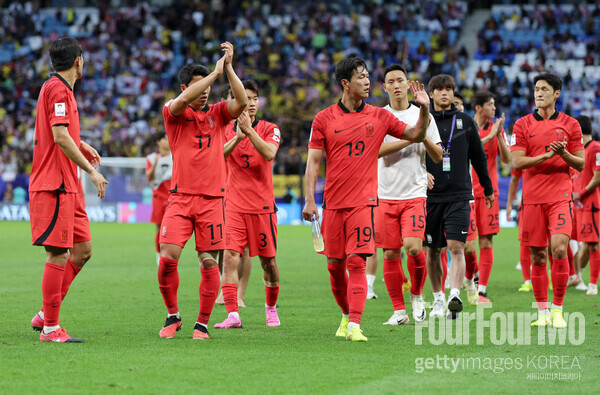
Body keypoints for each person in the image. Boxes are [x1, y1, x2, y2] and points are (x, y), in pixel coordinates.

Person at [302, 55, 430, 342]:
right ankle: (346, 315)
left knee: (357, 263)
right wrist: (309, 199)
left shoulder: (380, 116)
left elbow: (416, 134)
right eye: (361, 76)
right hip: (333, 205)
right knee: (334, 268)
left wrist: (425, 110)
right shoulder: (323, 119)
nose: (367, 81)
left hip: (364, 203)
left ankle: (356, 325)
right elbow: (313, 163)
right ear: (346, 84)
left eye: (368, 75)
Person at [158, 42, 247, 340]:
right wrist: (213, 73)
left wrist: (229, 68)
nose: (207, 91)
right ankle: (173, 315)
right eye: (200, 86)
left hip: (212, 201)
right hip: (180, 198)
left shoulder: (220, 113)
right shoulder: (174, 114)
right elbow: (182, 100)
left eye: (209, 85)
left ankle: (202, 324)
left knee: (209, 262)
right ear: (186, 87)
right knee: (168, 257)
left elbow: (242, 102)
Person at [29, 37, 108, 343]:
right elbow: (59, 136)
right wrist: (91, 171)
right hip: (56, 183)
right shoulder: (59, 89)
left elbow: (63, 133)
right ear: (78, 61)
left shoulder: (60, 90)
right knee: (58, 253)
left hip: (67, 184)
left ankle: (44, 314)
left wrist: (82, 144)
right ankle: (50, 328)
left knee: (83, 250)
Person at [511, 72, 584, 328]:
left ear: (556, 94)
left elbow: (581, 163)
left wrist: (563, 153)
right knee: (539, 256)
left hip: (560, 198)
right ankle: (542, 311)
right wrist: (544, 157)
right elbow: (516, 161)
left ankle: (558, 309)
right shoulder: (521, 124)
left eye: (544, 89)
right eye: (536, 89)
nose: (538, 93)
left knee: (560, 249)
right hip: (532, 200)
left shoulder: (571, 125)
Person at [372, 64, 442, 325]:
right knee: (390, 254)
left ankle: (415, 295)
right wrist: (411, 137)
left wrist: (421, 126)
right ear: (385, 87)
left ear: (407, 84)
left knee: (413, 247)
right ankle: (399, 311)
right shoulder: (378, 116)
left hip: (414, 193)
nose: (397, 85)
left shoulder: (423, 114)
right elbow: (376, 151)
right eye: (391, 81)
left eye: (401, 80)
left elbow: (437, 155)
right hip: (385, 194)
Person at [425, 74, 494, 320]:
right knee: (433, 251)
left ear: (454, 94)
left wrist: (487, 189)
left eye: (449, 89)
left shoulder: (465, 121)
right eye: (439, 89)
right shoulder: (424, 120)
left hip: (459, 195)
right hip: (430, 197)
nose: (445, 93)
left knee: (456, 247)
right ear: (431, 94)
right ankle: (438, 300)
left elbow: (478, 157)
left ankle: (454, 294)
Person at [214, 80, 282, 329]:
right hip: (233, 205)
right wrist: (237, 136)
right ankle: (233, 314)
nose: (251, 103)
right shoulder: (225, 130)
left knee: (269, 264)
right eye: (246, 98)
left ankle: (271, 308)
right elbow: (216, 156)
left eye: (254, 98)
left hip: (263, 208)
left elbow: (269, 154)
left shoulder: (269, 128)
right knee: (230, 257)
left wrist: (249, 132)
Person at [471, 91, 510, 302]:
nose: (494, 108)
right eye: (490, 104)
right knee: (466, 244)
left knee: (485, 241)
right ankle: (472, 281)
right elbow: (468, 150)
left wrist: (498, 134)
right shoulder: (466, 126)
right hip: (466, 193)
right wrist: (490, 135)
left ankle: (482, 290)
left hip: (489, 194)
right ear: (479, 107)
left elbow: (507, 159)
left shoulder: (496, 129)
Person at [215, 85, 252, 308]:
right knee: (221, 245)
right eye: (237, 98)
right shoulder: (218, 126)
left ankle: (240, 294)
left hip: (242, 195)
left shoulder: (254, 127)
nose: (242, 103)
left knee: (244, 248)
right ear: (225, 101)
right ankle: (224, 287)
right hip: (218, 192)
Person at [570, 115, 600, 296]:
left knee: (593, 245)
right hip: (574, 206)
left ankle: (593, 284)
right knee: (563, 241)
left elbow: (597, 177)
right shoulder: (576, 152)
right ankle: (574, 275)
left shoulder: (596, 148)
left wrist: (580, 194)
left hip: (589, 205)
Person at [145, 131, 172, 265]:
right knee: (159, 227)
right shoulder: (151, 158)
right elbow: (149, 177)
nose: (168, 141)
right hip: (158, 196)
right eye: (165, 139)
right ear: (159, 142)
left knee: (172, 228)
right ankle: (158, 255)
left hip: (173, 197)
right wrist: (156, 163)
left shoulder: (175, 156)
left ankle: (169, 255)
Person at [506, 167, 534, 292]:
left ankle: (551, 278)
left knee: (551, 244)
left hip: (550, 202)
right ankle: (527, 281)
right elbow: (514, 180)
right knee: (525, 242)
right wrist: (509, 204)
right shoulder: (521, 155)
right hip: (527, 204)